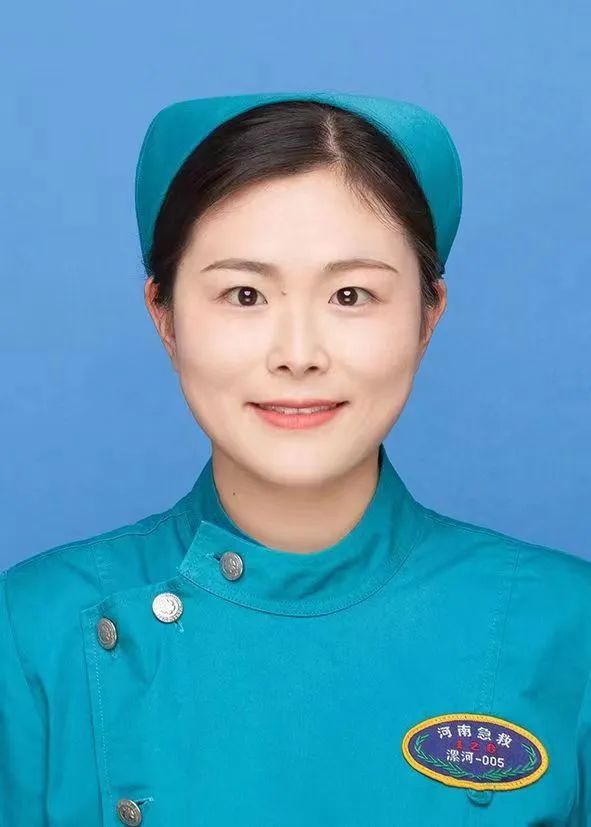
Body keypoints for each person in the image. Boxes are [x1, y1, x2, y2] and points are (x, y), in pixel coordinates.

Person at [1, 90, 589, 826]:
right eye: (245, 294)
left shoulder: (568, 624)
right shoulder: (32, 631)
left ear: (427, 316)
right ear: (165, 316)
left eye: (351, 294)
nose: (299, 354)